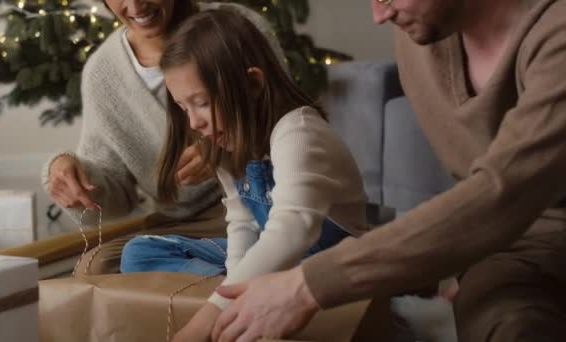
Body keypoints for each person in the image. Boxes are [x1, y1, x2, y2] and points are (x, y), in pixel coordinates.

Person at [211, 0, 566, 341]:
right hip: (511, 255)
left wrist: (307, 285)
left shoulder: (556, 34)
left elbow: (501, 195)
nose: (379, 15)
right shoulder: (417, 39)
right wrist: (455, 256)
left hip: (525, 230)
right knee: (509, 326)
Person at [119, 9, 368, 341]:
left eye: (201, 102)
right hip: (270, 256)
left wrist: (203, 322)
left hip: (322, 267)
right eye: (183, 107)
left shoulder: (299, 132)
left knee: (267, 261)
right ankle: (244, 294)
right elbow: (242, 224)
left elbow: (290, 233)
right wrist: (230, 288)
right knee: (139, 253)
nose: (193, 123)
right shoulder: (227, 143)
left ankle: (245, 295)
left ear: (251, 84)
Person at [40, 0, 287, 274]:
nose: (135, 6)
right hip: (180, 224)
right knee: (95, 267)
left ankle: (240, 275)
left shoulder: (238, 27)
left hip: (260, 202)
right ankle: (232, 275)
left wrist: (229, 148)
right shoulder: (102, 73)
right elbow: (117, 191)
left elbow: (289, 120)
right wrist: (73, 178)